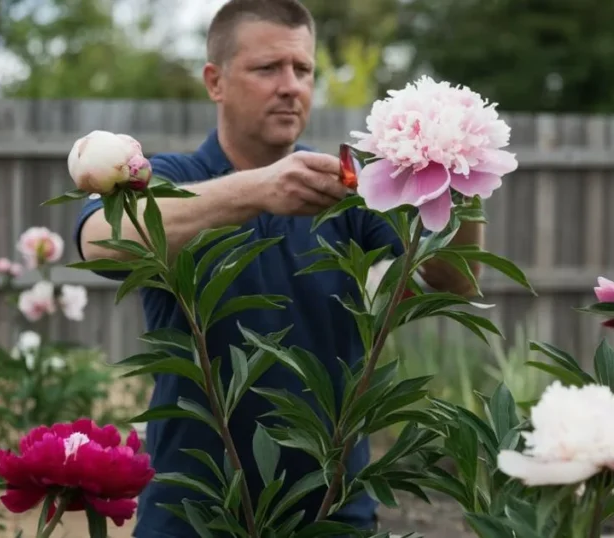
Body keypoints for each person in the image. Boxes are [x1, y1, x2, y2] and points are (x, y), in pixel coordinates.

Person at [73, 0, 486, 536]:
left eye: (304, 69)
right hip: (194, 512)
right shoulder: (170, 178)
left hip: (333, 510)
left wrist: (460, 176)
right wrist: (259, 190)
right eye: (267, 68)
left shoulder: (350, 186)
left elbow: (453, 284)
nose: (290, 85)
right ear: (215, 82)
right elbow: (100, 242)